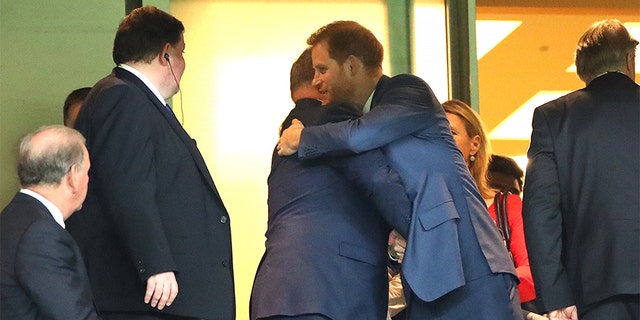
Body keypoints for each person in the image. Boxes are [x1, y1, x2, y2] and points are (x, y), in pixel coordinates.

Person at [278, 21, 522, 319]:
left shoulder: (407, 90)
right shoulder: (366, 115)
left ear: (352, 66)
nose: (315, 81)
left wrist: (303, 138)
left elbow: (359, 136)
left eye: (322, 69)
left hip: (469, 266)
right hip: (425, 281)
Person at [65, 6, 235, 319]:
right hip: (150, 300)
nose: (184, 64)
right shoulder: (123, 97)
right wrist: (155, 264)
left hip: (161, 300)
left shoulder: (129, 97)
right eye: (182, 53)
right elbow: (128, 187)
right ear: (166, 54)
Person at [250, 47, 411, 320]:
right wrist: (423, 231)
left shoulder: (290, 135)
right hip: (331, 292)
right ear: (320, 80)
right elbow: (377, 178)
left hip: (278, 294)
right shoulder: (336, 121)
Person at [522, 19, 639, 320]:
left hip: (592, 290)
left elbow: (540, 211)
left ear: (582, 69)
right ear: (630, 60)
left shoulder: (553, 118)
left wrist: (555, 293)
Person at [442, 99, 541, 319]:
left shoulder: (507, 206)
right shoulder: (417, 204)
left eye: (450, 133)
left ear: (474, 144)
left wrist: (480, 287)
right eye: (433, 133)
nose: (440, 140)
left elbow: (529, 270)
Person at [1, 125, 99, 320]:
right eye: (87, 172)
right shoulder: (39, 233)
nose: (88, 179)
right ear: (73, 177)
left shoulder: (15, 216)